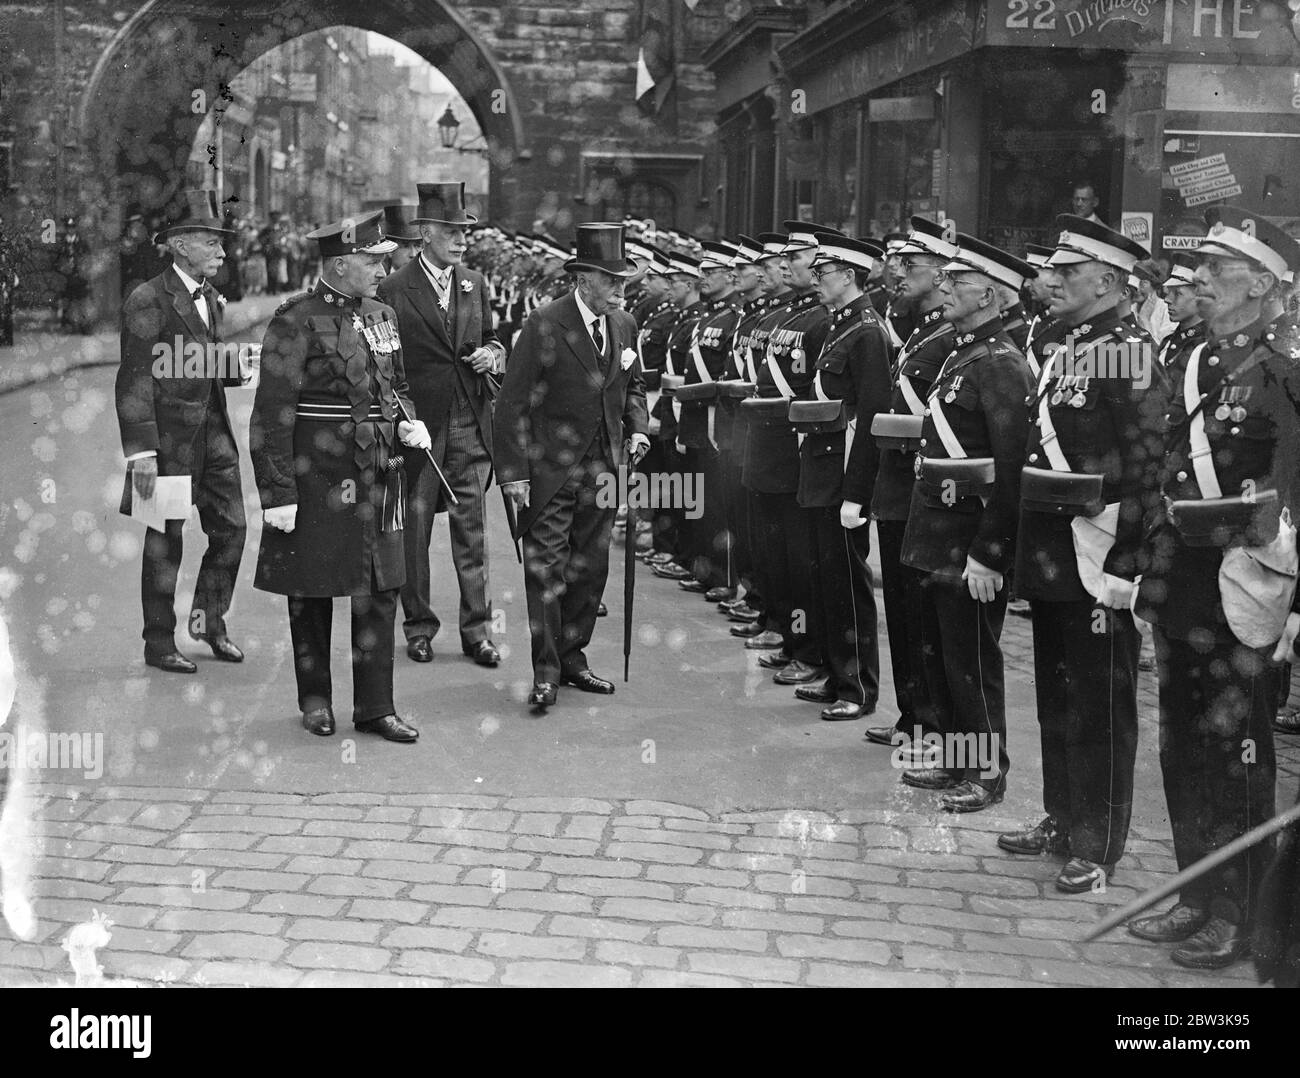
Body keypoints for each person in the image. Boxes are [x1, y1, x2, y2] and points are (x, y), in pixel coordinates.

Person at [1128, 208, 1300, 969]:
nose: (1195, 280)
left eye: (1214, 270)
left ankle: (1246, 915)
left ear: (1260, 284)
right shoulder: (1196, 357)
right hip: (1182, 588)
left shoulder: (1288, 370)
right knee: (1183, 750)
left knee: (1239, 757)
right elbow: (1161, 462)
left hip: (1245, 592)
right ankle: (1196, 893)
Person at [998, 215, 1155, 893]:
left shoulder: (1125, 348)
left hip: (1097, 553)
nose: (1052, 281)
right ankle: (1062, 815)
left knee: (1099, 702)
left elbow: (1148, 463)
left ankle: (1098, 840)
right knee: (1057, 696)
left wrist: (1128, 559)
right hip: (1055, 549)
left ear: (1108, 281)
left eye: (1068, 272)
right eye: (1054, 270)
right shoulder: (1067, 344)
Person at [250, 209, 431, 742]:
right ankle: (316, 700)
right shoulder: (294, 319)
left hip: (379, 472)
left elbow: (394, 385)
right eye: (374, 260)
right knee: (312, 589)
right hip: (318, 478)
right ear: (341, 263)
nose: (385, 268)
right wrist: (278, 492)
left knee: (381, 586)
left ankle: (376, 706)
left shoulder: (382, 315)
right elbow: (271, 413)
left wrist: (407, 423)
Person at [898, 235, 1036, 811]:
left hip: (968, 540)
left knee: (972, 658)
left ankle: (985, 771)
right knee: (941, 653)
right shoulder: (962, 353)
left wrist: (990, 551)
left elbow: (1010, 472)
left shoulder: (1001, 364)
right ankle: (955, 760)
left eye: (958, 280)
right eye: (946, 278)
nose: (946, 287)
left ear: (991, 294)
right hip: (936, 531)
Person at [493, 223, 650, 710]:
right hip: (551, 471)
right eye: (613, 280)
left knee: (590, 568)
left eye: (625, 280)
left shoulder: (624, 325)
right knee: (547, 569)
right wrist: (514, 474)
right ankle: (545, 673)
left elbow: (634, 385)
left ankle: (574, 657)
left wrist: (639, 427)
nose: (622, 290)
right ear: (584, 279)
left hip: (604, 469)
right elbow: (511, 405)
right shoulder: (545, 323)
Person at [114, 190, 247, 674]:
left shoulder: (212, 298)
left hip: (214, 437)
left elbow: (199, 364)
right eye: (212, 242)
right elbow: (134, 379)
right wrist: (141, 453)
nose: (222, 251)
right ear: (180, 244)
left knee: (232, 528)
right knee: (164, 542)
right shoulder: (148, 298)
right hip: (165, 444)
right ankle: (159, 642)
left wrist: (238, 365)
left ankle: (208, 622)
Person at [377, 182, 504, 669]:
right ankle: (419, 627)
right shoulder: (393, 289)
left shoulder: (475, 282)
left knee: (473, 532)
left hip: (470, 422)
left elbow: (494, 340)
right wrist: (401, 422)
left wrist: (491, 355)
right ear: (425, 232)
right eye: (451, 231)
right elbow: (385, 366)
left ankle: (478, 631)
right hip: (419, 429)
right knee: (415, 533)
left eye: (464, 232)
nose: (461, 240)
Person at [865, 216, 958, 748]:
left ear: (941, 274)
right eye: (895, 264)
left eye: (911, 266)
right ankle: (912, 716)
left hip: (925, 489)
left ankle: (932, 721)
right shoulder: (921, 328)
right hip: (898, 485)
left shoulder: (947, 335)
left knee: (922, 614)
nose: (897, 273)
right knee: (901, 611)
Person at [797, 235, 892, 721]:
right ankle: (837, 674)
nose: (816, 280)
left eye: (823, 272)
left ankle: (857, 687)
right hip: (820, 467)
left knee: (847, 583)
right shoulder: (841, 327)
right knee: (825, 578)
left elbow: (873, 416)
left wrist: (858, 493)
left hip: (843, 474)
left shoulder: (868, 332)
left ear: (849, 275)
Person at [1154, 260, 1205, 375]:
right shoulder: (1168, 341)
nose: (1167, 299)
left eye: (1177, 294)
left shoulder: (1206, 343)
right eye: (1168, 292)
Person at [382, 204, 422, 272]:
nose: (413, 254)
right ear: (389, 251)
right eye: (405, 246)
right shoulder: (379, 280)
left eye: (418, 246)